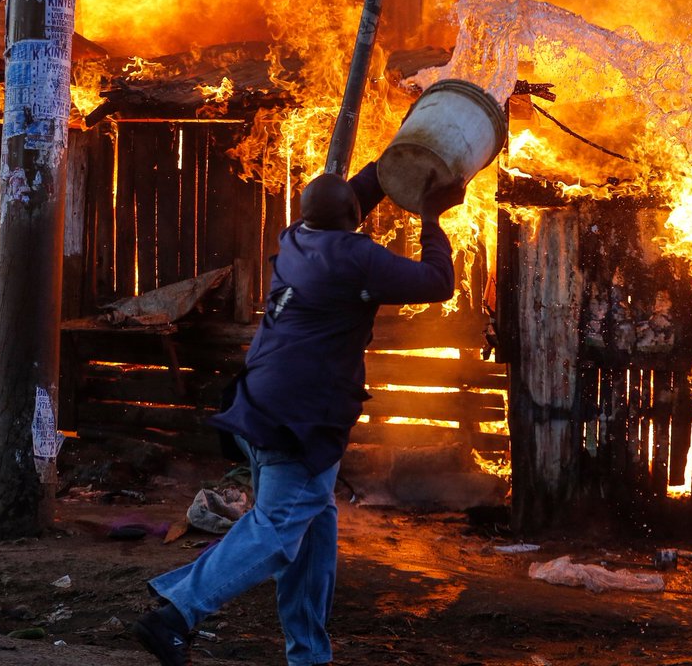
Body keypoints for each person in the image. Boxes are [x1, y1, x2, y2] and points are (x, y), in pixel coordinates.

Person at [133, 159, 463, 666]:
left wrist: (390, 163)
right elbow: (439, 281)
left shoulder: (295, 239)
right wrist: (432, 217)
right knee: (277, 529)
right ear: (353, 218)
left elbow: (348, 199)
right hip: (299, 421)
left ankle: (308, 655)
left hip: (259, 403)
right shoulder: (355, 257)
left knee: (312, 533)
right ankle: (176, 614)